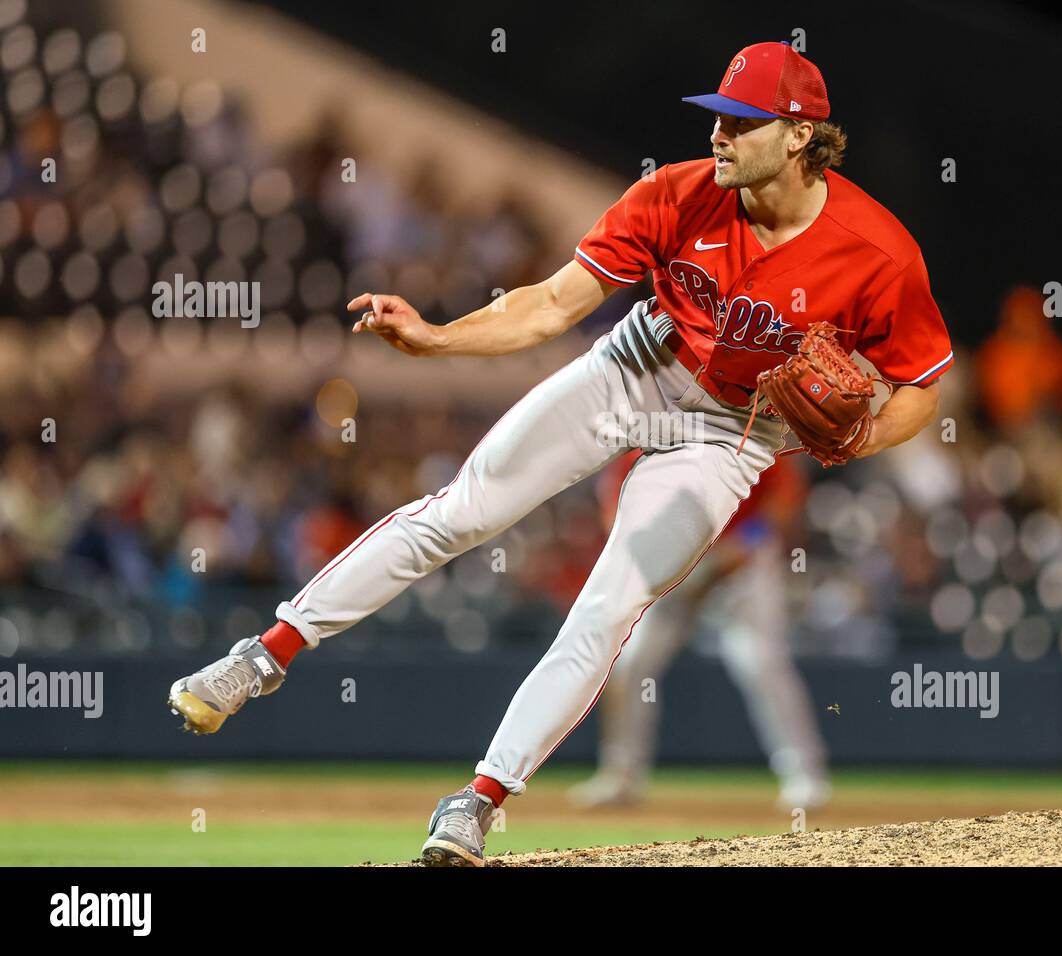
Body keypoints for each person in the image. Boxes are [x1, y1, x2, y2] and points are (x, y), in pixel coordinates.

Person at [167, 40, 953, 866]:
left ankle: (478, 801)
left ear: (798, 136)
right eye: (716, 119)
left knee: (608, 609)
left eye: (740, 122)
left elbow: (922, 390)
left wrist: (866, 433)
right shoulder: (674, 194)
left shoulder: (878, 252)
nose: (718, 136)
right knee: (462, 511)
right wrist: (437, 340)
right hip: (640, 367)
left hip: (734, 434)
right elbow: (549, 305)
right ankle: (263, 657)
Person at [570, 451, 830, 813]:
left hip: (738, 567)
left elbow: (784, 498)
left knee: (759, 664)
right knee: (629, 664)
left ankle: (803, 775)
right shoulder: (646, 441)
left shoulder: (748, 432)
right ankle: (621, 775)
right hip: (670, 568)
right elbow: (616, 516)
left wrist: (748, 543)